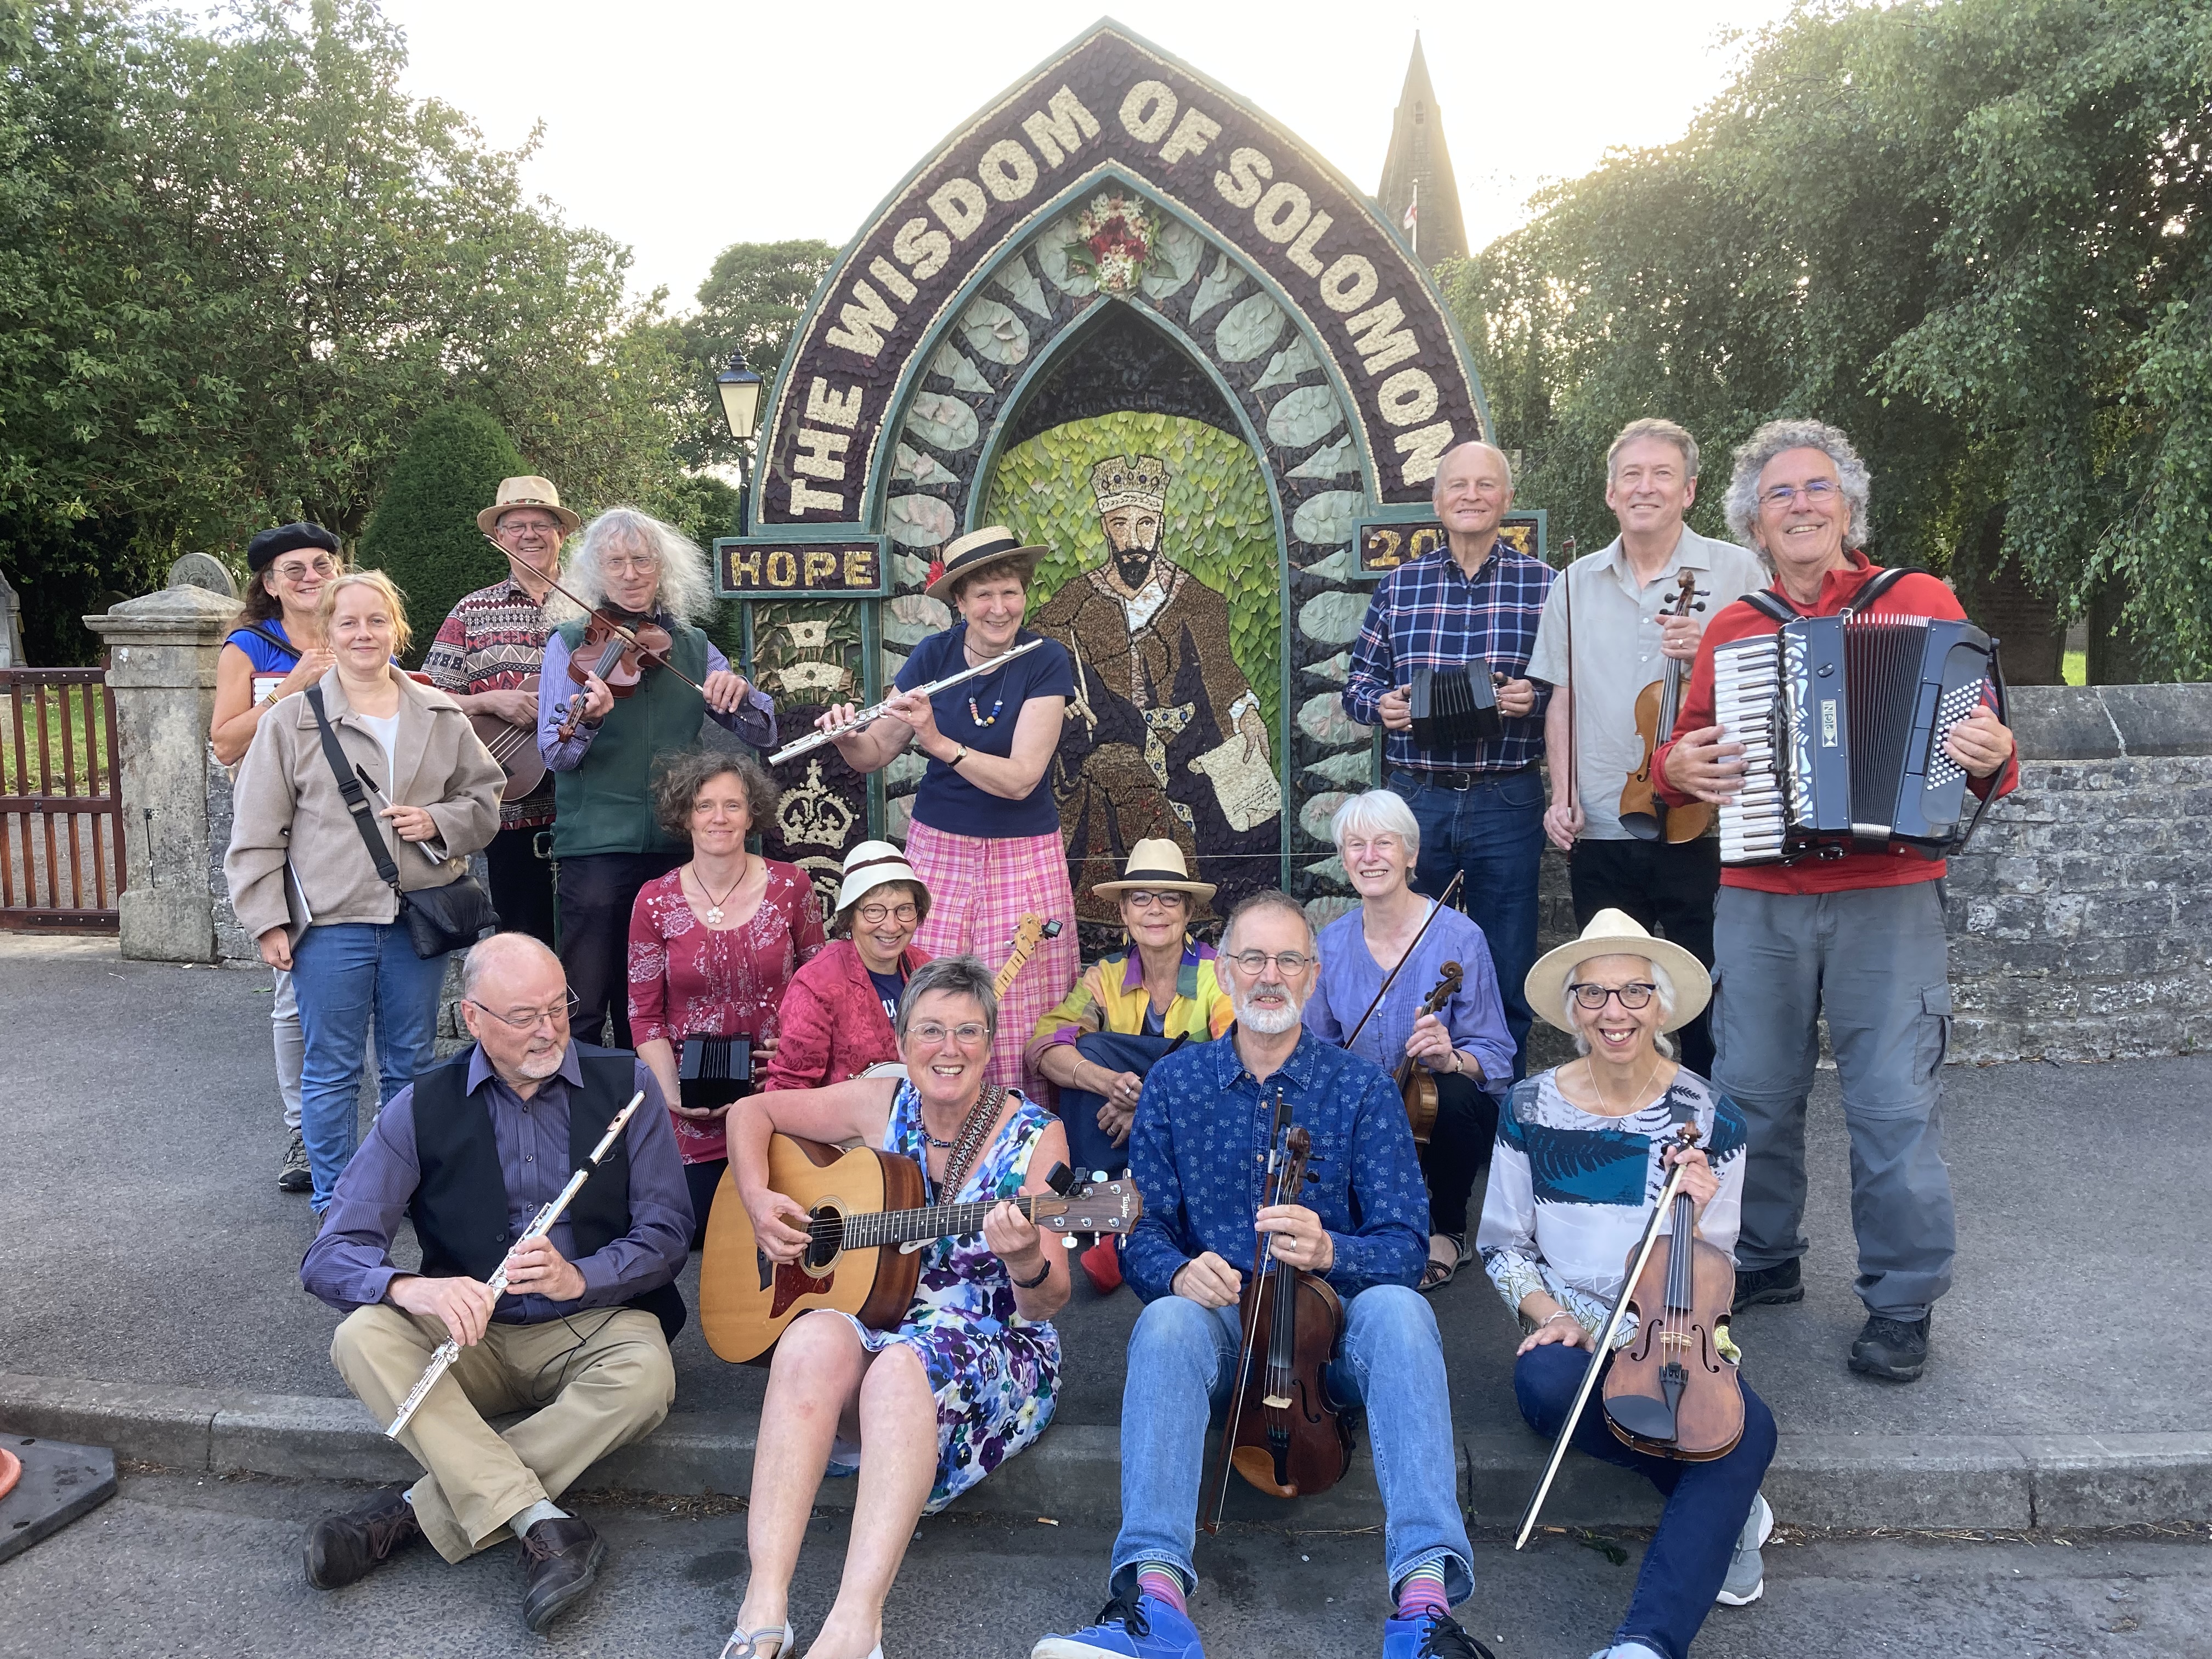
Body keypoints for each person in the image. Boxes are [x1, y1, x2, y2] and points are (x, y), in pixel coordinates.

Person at [1655, 418, 2018, 1383]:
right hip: (1760, 893)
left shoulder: (1920, 602)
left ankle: (1900, 1299)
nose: (1801, 505)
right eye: (1780, 495)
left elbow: (1986, 748)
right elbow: (1684, 764)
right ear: (1754, 523)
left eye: (1816, 489)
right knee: (1752, 1090)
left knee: (1892, 1103)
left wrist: (1995, 755)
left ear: (1847, 507)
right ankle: (1766, 1253)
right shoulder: (1738, 626)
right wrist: (1673, 763)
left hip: (1887, 893)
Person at [1033, 892, 1488, 1659]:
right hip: (1222, 1328)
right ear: (1227, 974)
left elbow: (1409, 1244)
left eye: (1288, 959)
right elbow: (1142, 1228)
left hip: (1330, 1336)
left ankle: (1425, 1609)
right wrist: (1177, 1274)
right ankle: (1153, 1605)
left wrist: (1330, 1253)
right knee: (1165, 1322)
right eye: (1252, 958)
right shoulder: (1176, 1088)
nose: (1269, 975)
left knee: (1405, 1316)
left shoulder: (1363, 1088)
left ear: (1312, 977)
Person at [298, 933, 690, 1635]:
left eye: (558, 1009)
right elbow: (332, 1255)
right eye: (523, 1016)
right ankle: (542, 1521)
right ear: (472, 1018)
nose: (548, 1031)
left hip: (591, 1325)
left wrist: (582, 1276)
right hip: (472, 1333)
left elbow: (666, 1234)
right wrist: (411, 1289)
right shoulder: (420, 1107)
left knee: (646, 1376)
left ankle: (416, 1514)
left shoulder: (626, 1087)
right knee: (362, 1335)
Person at [720, 956, 1071, 1659]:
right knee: (810, 1338)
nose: (950, 1049)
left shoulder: (1038, 1137)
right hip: (886, 1320)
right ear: (903, 1040)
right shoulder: (881, 1102)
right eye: (931, 1030)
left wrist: (1024, 1255)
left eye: (969, 1032)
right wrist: (759, 1200)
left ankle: (856, 1624)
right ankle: (765, 1607)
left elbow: (1049, 1298)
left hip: (997, 1340)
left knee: (899, 1367)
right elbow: (749, 1111)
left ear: (991, 1043)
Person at [1477, 911, 1775, 1659]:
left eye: (1635, 993)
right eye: (1596, 995)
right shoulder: (1529, 1108)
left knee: (1754, 1428)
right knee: (1546, 1384)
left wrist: (1695, 1213)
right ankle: (1722, 1500)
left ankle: (1644, 1644)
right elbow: (1502, 1246)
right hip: (1576, 1330)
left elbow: (1715, 1272)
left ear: (1663, 1005)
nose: (1616, 1012)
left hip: (1674, 1329)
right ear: (1574, 1010)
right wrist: (1551, 1314)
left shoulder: (1712, 1116)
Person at [227, 570, 505, 1214]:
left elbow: (486, 801)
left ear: (396, 630)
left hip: (419, 921)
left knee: (409, 1065)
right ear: (326, 632)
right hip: (329, 924)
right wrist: (268, 920)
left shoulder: (439, 713)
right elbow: (257, 830)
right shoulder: (291, 722)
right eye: (347, 622)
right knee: (331, 1070)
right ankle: (337, 1202)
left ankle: (405, 1189)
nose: (363, 634)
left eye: (376, 621)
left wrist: (439, 820)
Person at [1527, 419, 1768, 1079]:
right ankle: (1618, 1132)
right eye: (1631, 475)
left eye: (1662, 474)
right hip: (1606, 819)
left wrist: (1711, 650)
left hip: (1708, 821)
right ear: (1611, 494)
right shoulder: (1572, 583)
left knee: (1714, 999)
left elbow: (1774, 682)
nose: (1645, 487)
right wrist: (1564, 793)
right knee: (1611, 1002)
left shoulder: (1738, 569)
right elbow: (1565, 699)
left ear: (1689, 491)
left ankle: (1710, 1137)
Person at [812, 526, 1080, 1101]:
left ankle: (1020, 1143)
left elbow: (1022, 778)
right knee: (937, 998)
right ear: (958, 603)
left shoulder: (1045, 660)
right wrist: (843, 738)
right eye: (983, 596)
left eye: (1009, 592)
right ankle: (933, 1149)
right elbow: (876, 752)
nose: (998, 608)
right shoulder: (932, 655)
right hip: (941, 853)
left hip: (1022, 855)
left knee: (1019, 1008)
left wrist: (937, 741)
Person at [1345, 441, 1554, 1079]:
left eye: (1485, 485)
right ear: (1436, 502)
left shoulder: (1545, 587)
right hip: (1416, 796)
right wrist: (1381, 706)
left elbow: (1575, 691)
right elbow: (1355, 688)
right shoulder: (1399, 586)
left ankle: (1497, 1118)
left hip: (1506, 797)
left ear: (1507, 500)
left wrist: (1535, 697)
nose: (1471, 496)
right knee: (1406, 951)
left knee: (1507, 961)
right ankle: (1408, 1103)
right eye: (1458, 486)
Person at [538, 507, 777, 1050]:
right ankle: (591, 1122)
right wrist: (588, 723)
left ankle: (660, 1123)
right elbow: (555, 753)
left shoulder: (690, 646)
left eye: (642, 559)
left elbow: (763, 731)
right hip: (596, 847)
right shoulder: (570, 642)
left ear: (662, 568)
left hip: (676, 849)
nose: (630, 573)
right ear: (596, 571)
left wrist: (738, 695)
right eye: (615, 561)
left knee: (666, 1001)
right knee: (587, 997)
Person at [1033, 453, 1276, 915]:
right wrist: (1064, 698)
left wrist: (1247, 715)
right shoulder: (1075, 602)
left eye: (1145, 524)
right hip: (1113, 744)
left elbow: (1222, 671)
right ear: (1105, 527)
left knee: (1245, 812)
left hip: (1188, 745)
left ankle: (1212, 922)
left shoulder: (1195, 599)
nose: (1133, 539)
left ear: (1160, 524)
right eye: (1121, 525)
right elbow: (1044, 655)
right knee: (1114, 778)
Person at [1304, 791, 1513, 1294]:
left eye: (1384, 843)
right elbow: (1316, 1045)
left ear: (1412, 855)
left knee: (1455, 1096)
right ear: (1343, 859)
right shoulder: (1328, 944)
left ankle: (1447, 1229)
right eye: (1356, 845)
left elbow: (1498, 1056)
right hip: (1364, 1102)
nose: (1369, 856)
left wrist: (1451, 1055)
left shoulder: (1460, 937)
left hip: (1436, 1106)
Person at [627, 749, 823, 1248]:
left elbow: (821, 985)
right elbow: (644, 1014)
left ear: (752, 812)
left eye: (733, 806)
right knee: (699, 1232)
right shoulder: (655, 900)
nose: (719, 818)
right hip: (690, 1103)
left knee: (794, 1223)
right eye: (705, 805)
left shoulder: (791, 886)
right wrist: (671, 1094)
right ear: (685, 815)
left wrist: (797, 1051)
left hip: (778, 1087)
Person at [1027, 838, 1235, 1292]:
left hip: (1194, 1134)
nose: (1155, 909)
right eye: (1141, 898)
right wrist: (1110, 1085)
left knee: (1201, 1065)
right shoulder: (1106, 975)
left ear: (1187, 912)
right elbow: (1044, 1046)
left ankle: (1126, 1225)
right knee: (1093, 1049)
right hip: (1118, 1133)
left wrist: (1148, 1107)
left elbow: (1237, 1064)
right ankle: (1123, 1211)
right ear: (1124, 913)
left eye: (1169, 899)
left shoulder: (1217, 976)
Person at [210, 521, 341, 1194]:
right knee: (296, 993)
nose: (311, 577)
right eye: (295, 570)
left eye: (322, 564)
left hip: (354, 839)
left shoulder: (361, 630)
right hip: (285, 840)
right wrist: (290, 688)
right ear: (269, 583)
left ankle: (377, 1134)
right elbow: (226, 743)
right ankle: (304, 1132)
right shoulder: (249, 647)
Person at [422, 476, 581, 948]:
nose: (529, 535)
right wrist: (488, 701)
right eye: (515, 526)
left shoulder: (594, 607)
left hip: (588, 803)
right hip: (512, 806)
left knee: (592, 941)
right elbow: (427, 698)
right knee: (522, 940)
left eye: (541, 524)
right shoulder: (472, 612)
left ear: (562, 535)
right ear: (498, 538)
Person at [758, 839, 933, 1093]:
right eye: (874, 911)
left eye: (904, 910)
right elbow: (789, 1088)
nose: (892, 926)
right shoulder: (817, 984)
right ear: (850, 917)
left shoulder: (925, 969)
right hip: (843, 1127)